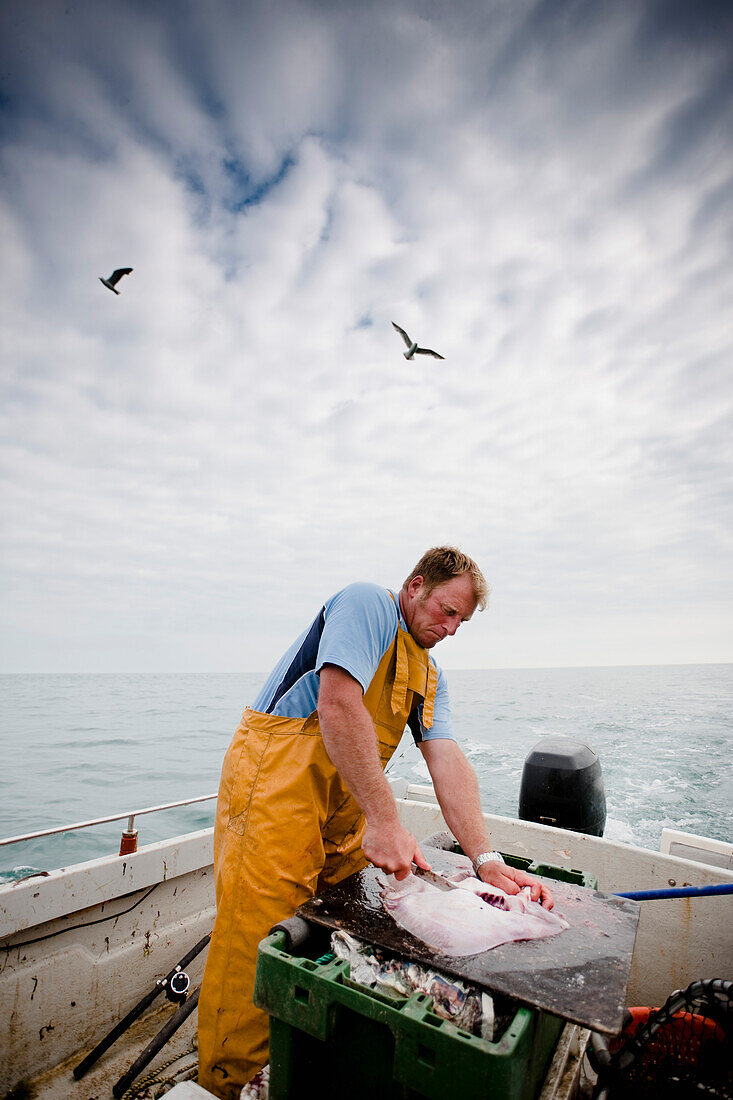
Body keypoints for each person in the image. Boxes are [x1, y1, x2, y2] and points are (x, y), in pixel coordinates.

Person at [197, 546, 553, 1098]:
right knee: (256, 943)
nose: (452, 628)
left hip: (339, 816)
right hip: (271, 796)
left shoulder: (429, 673)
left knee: (330, 931)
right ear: (415, 586)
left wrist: (486, 860)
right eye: (447, 610)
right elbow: (338, 705)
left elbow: (447, 760)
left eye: (461, 620)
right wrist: (387, 822)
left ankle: (299, 1060)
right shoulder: (365, 605)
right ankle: (231, 1084)